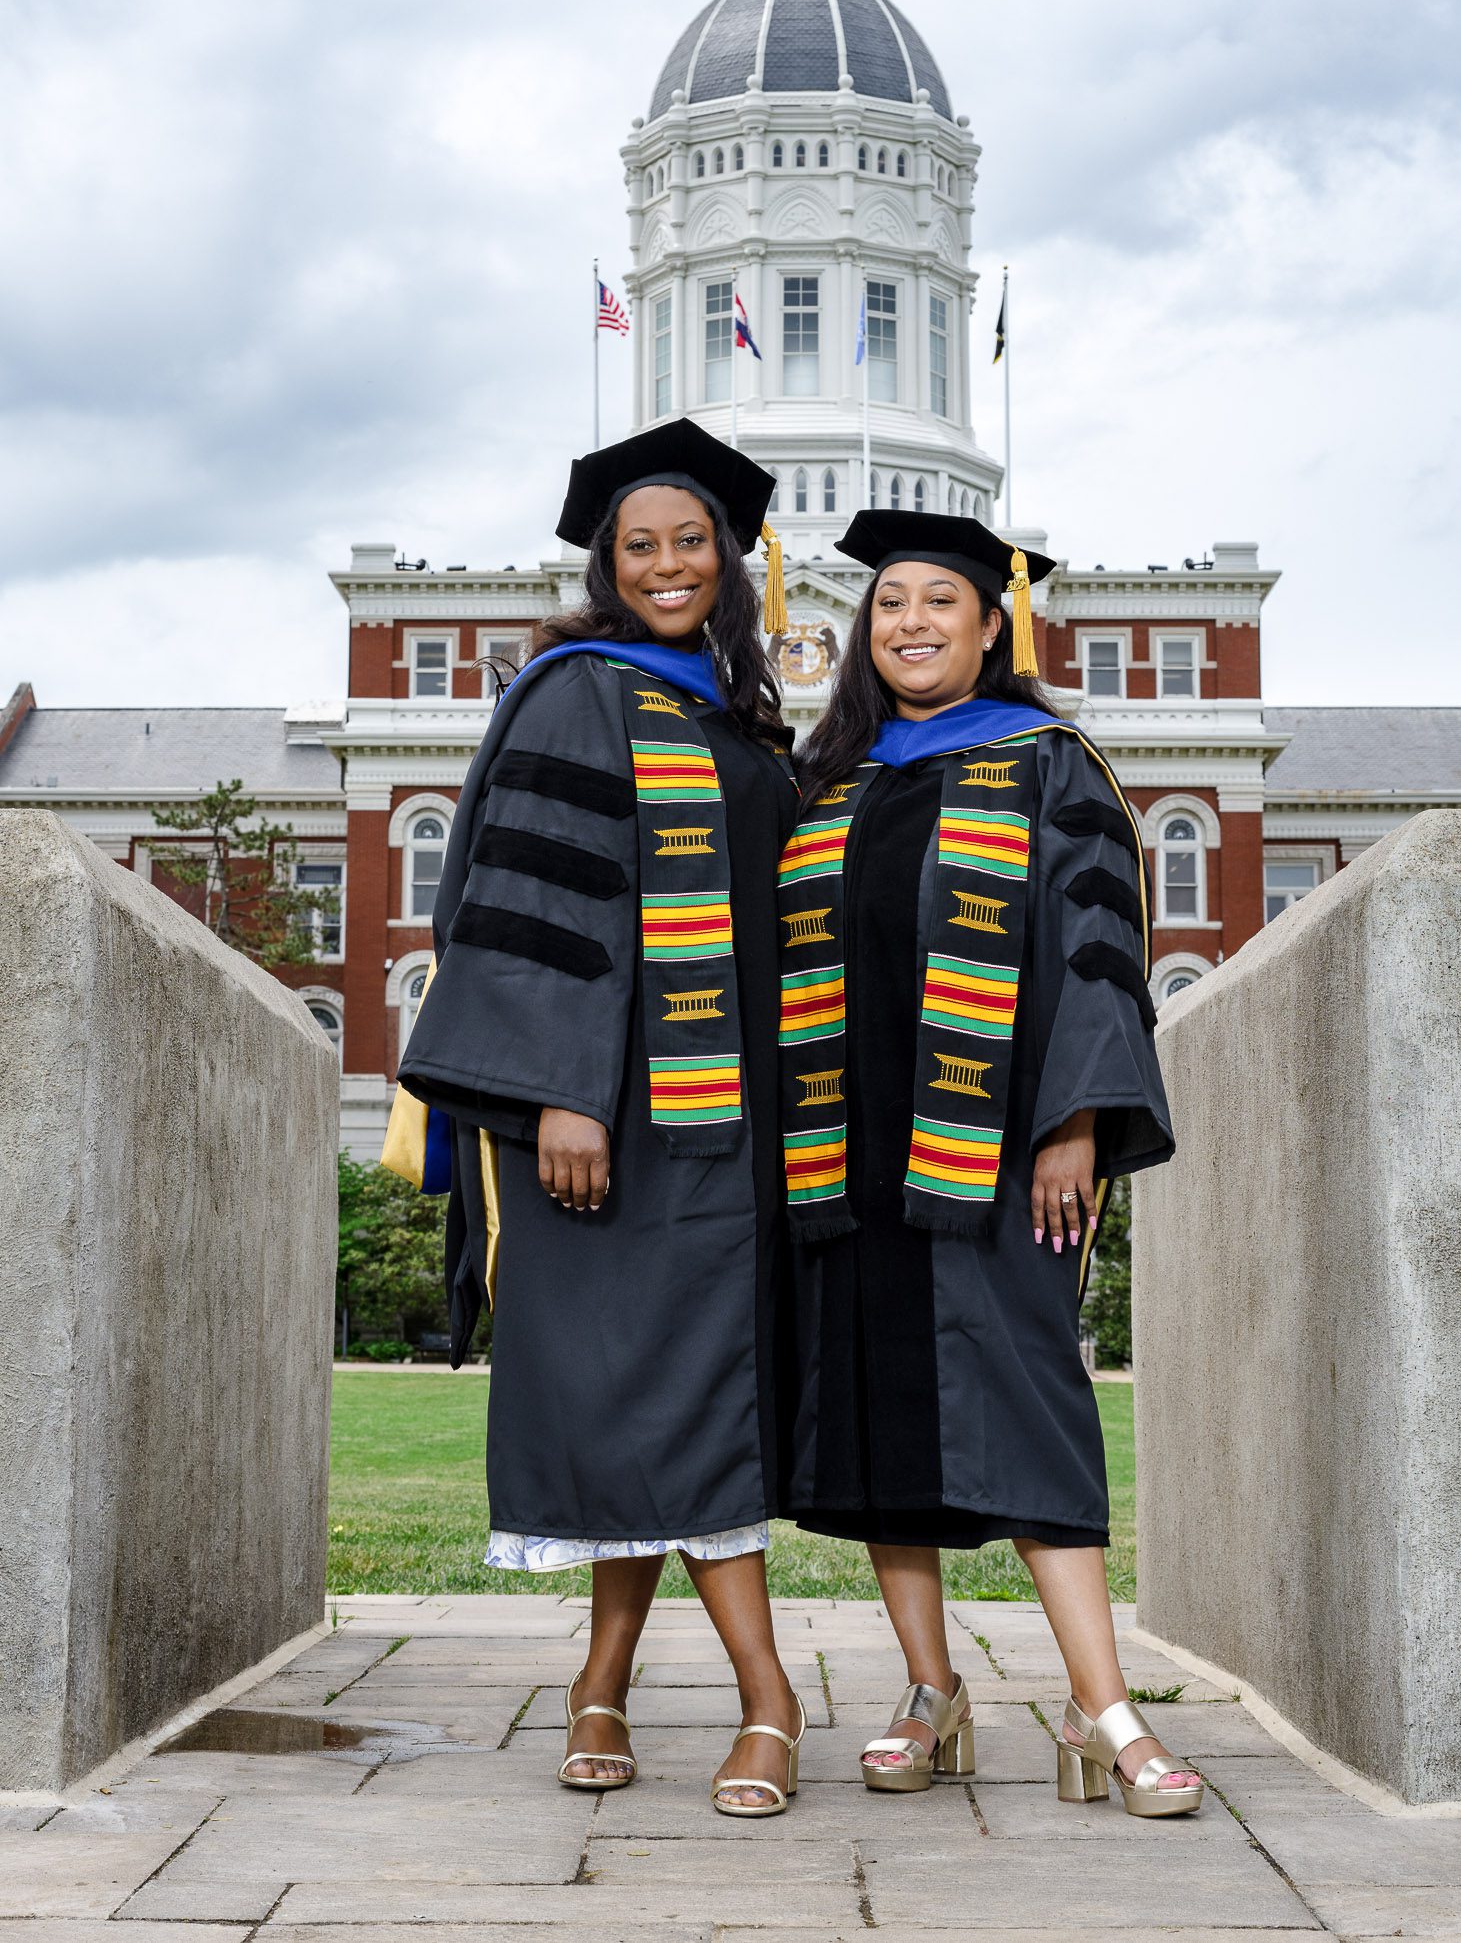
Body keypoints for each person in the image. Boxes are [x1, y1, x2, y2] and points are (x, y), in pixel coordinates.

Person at [385, 420, 806, 1817]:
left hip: (719, 1128)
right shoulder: (575, 693)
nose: (670, 563)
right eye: (643, 545)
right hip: (599, 1121)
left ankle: (602, 1682)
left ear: (730, 559)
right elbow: (544, 903)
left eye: (692, 541)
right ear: (607, 563)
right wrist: (566, 1088)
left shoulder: (738, 712)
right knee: (644, 1393)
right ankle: (764, 1694)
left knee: (673, 1395)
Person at [778, 508, 1202, 1818]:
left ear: (988, 621)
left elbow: (1093, 943)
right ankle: (929, 1687)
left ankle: (1103, 1705)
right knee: (882, 1423)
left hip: (1000, 1147)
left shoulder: (1046, 761)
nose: (909, 621)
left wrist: (1074, 1118)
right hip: (848, 1156)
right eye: (889, 602)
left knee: (1034, 1409)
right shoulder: (829, 782)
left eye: (938, 603)